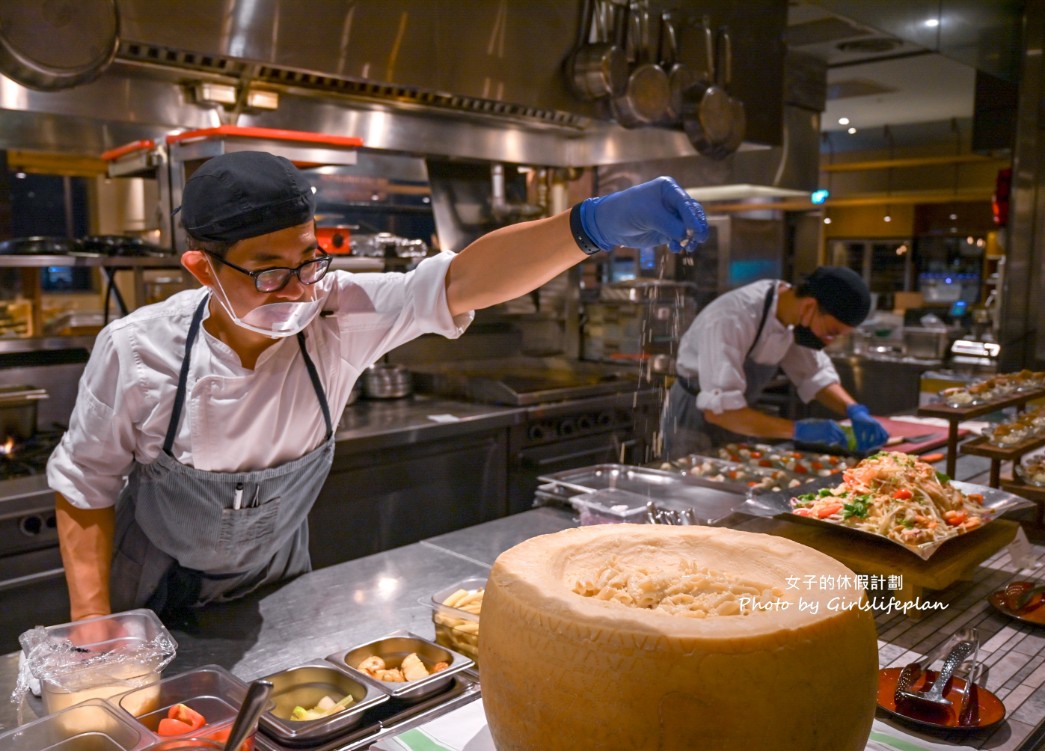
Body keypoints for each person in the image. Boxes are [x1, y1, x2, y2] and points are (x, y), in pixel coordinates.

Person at [47, 151, 708, 623]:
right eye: (268, 273)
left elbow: (461, 282)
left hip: (275, 586)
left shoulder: (336, 315)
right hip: (153, 585)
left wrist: (584, 227)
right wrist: (93, 622)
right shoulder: (136, 351)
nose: (300, 289)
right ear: (201, 268)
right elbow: (85, 484)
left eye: (308, 259)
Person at [661, 266, 889, 460]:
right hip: (692, 420)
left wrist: (854, 410)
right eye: (831, 332)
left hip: (740, 418)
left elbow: (815, 376)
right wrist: (797, 430)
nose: (829, 341)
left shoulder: (793, 316)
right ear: (810, 306)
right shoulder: (733, 317)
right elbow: (718, 412)